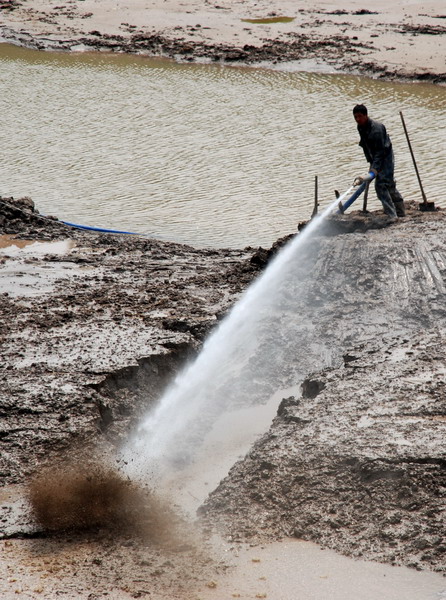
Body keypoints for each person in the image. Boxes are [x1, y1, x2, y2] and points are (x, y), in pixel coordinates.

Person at [352, 104, 405, 218]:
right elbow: (366, 146)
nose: (357, 119)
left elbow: (380, 152)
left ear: (366, 115)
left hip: (386, 158)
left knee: (381, 186)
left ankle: (392, 216)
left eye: (360, 116)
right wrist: (371, 164)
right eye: (355, 117)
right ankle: (400, 212)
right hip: (375, 157)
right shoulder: (360, 127)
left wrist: (374, 169)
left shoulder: (377, 129)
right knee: (389, 185)